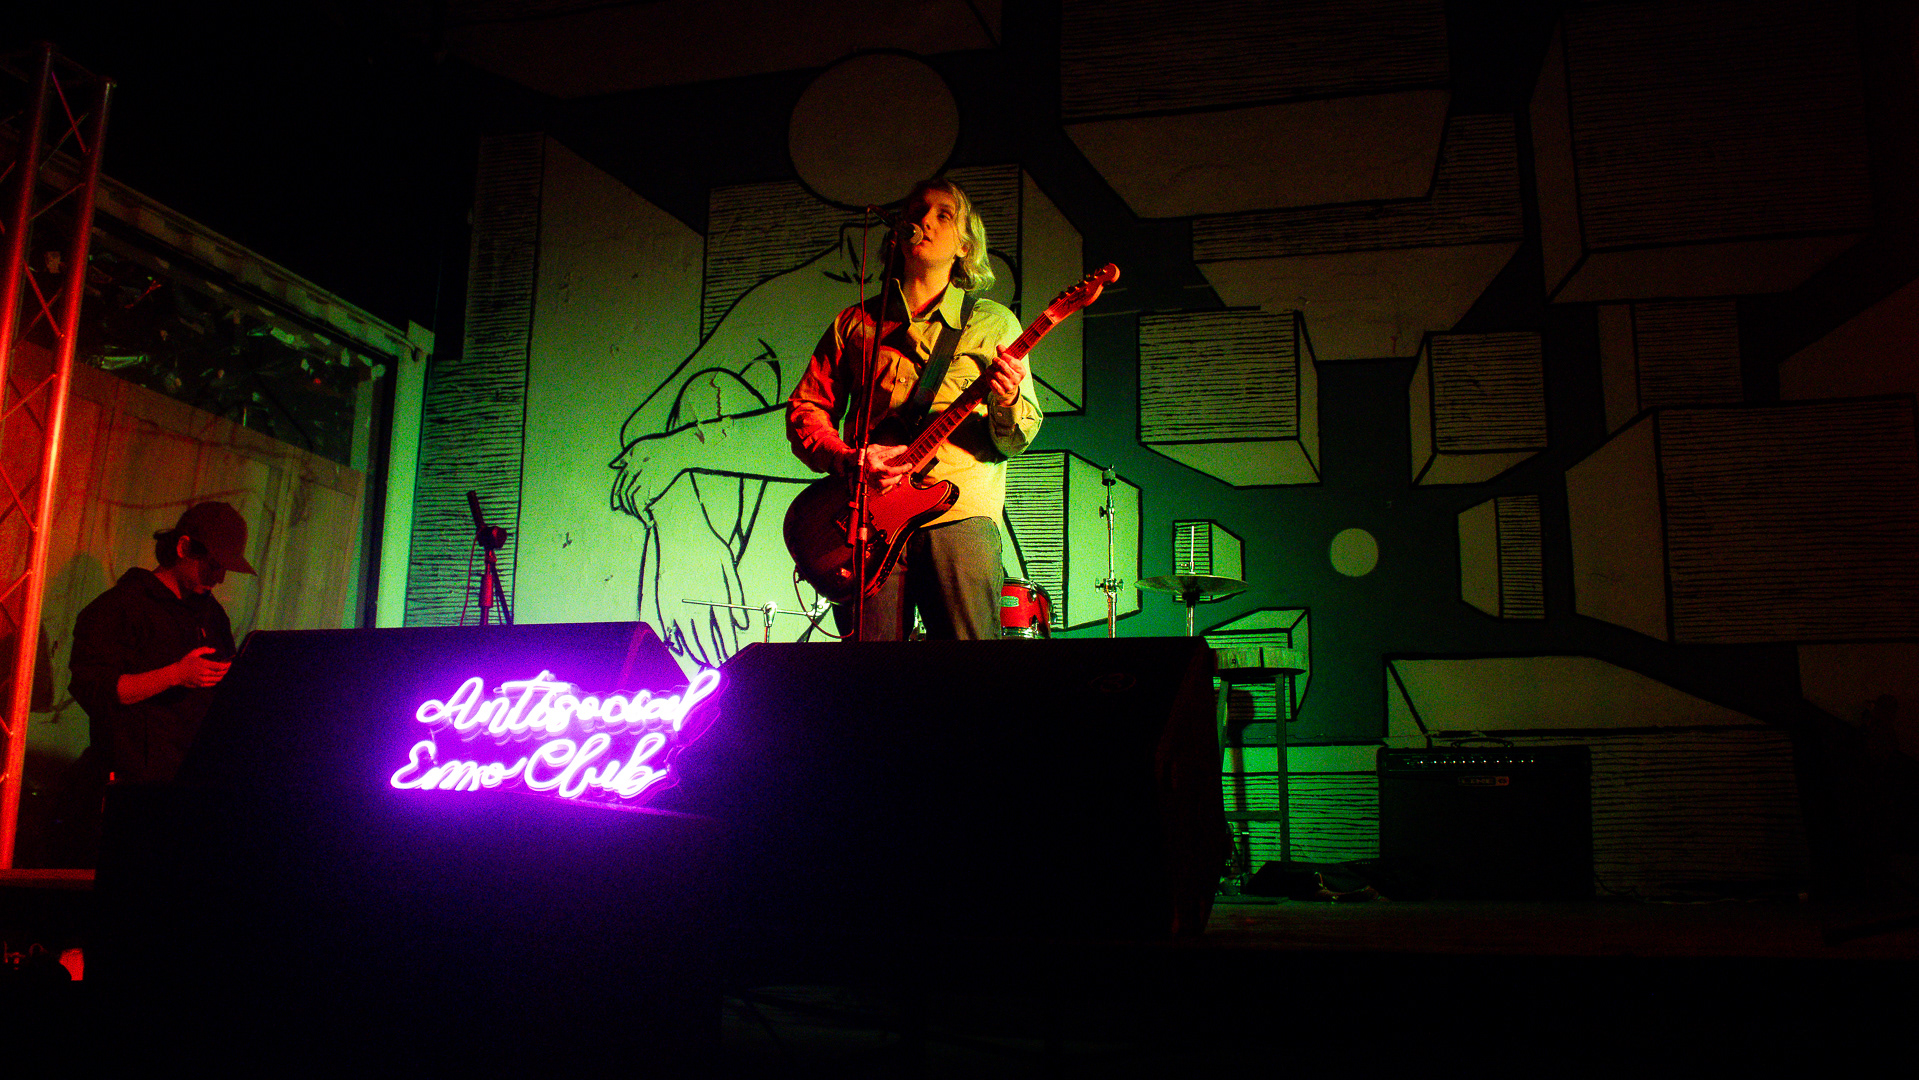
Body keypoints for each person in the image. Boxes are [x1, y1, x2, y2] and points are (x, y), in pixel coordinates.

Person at [787, 178, 1042, 640]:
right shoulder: (856, 323)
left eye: (944, 214)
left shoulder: (992, 323)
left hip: (958, 516)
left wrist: (1006, 399)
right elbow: (807, 408)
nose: (925, 220)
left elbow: (1017, 437)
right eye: (917, 211)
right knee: (871, 674)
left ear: (965, 247)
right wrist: (848, 459)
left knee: (967, 668)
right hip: (867, 520)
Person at [69, 501, 256, 785]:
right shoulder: (120, 607)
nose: (219, 578)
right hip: (134, 783)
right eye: (213, 566)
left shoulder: (211, 614)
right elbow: (97, 690)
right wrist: (176, 675)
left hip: (191, 780)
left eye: (224, 570)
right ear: (183, 548)